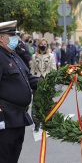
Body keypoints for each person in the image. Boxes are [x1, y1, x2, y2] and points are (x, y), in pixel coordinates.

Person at [0, 20, 40, 163]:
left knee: (13, 158)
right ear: (0, 38)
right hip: (5, 120)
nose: (15, 38)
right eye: (11, 35)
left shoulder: (13, 55)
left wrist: (52, 83)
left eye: (15, 35)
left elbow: (29, 78)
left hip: (19, 118)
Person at [30, 38, 56, 131]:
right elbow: (32, 70)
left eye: (45, 44)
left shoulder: (51, 56)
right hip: (36, 81)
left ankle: (49, 121)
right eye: (41, 44)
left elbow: (53, 69)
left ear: (47, 45)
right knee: (36, 103)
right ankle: (37, 123)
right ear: (38, 45)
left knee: (48, 102)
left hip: (47, 81)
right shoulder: (34, 56)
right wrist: (30, 82)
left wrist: (52, 81)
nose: (43, 45)